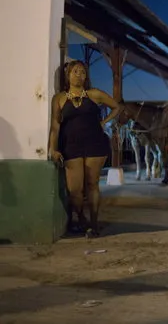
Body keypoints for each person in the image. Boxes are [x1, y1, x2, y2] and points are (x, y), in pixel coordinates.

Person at [48, 60, 122, 238]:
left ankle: (94, 224)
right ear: (68, 75)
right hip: (70, 146)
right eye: (75, 71)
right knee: (75, 190)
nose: (79, 75)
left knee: (92, 184)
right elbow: (55, 127)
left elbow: (117, 107)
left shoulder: (94, 94)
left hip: (95, 144)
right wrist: (53, 149)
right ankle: (81, 218)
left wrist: (104, 123)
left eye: (82, 72)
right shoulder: (59, 98)